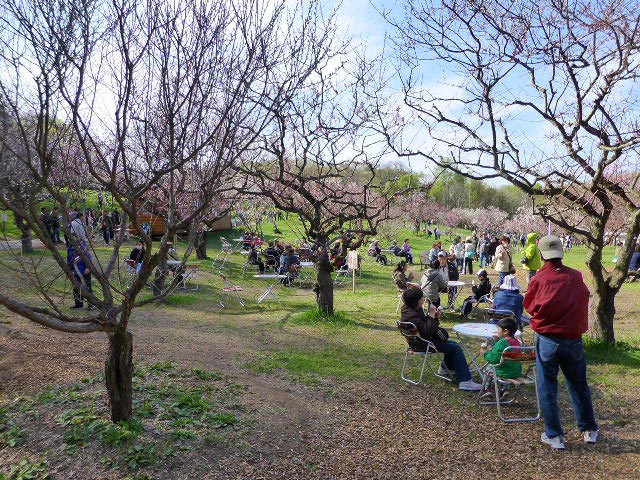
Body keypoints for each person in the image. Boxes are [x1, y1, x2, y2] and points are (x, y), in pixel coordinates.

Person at [523, 235, 598, 450]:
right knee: (579, 385)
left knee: (548, 387)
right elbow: (585, 297)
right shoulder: (575, 276)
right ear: (561, 253)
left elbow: (529, 305)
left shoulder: (540, 278)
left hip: (548, 338)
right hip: (573, 338)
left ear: (542, 254)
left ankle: (555, 435)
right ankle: (589, 430)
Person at [399, 288, 481, 391]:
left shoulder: (408, 309)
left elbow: (424, 327)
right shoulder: (412, 314)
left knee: (451, 344)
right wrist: (432, 314)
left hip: (418, 342)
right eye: (421, 298)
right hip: (423, 344)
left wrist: (435, 317)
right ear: (416, 301)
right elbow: (427, 331)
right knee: (455, 348)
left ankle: (445, 369)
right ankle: (465, 381)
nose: (423, 299)